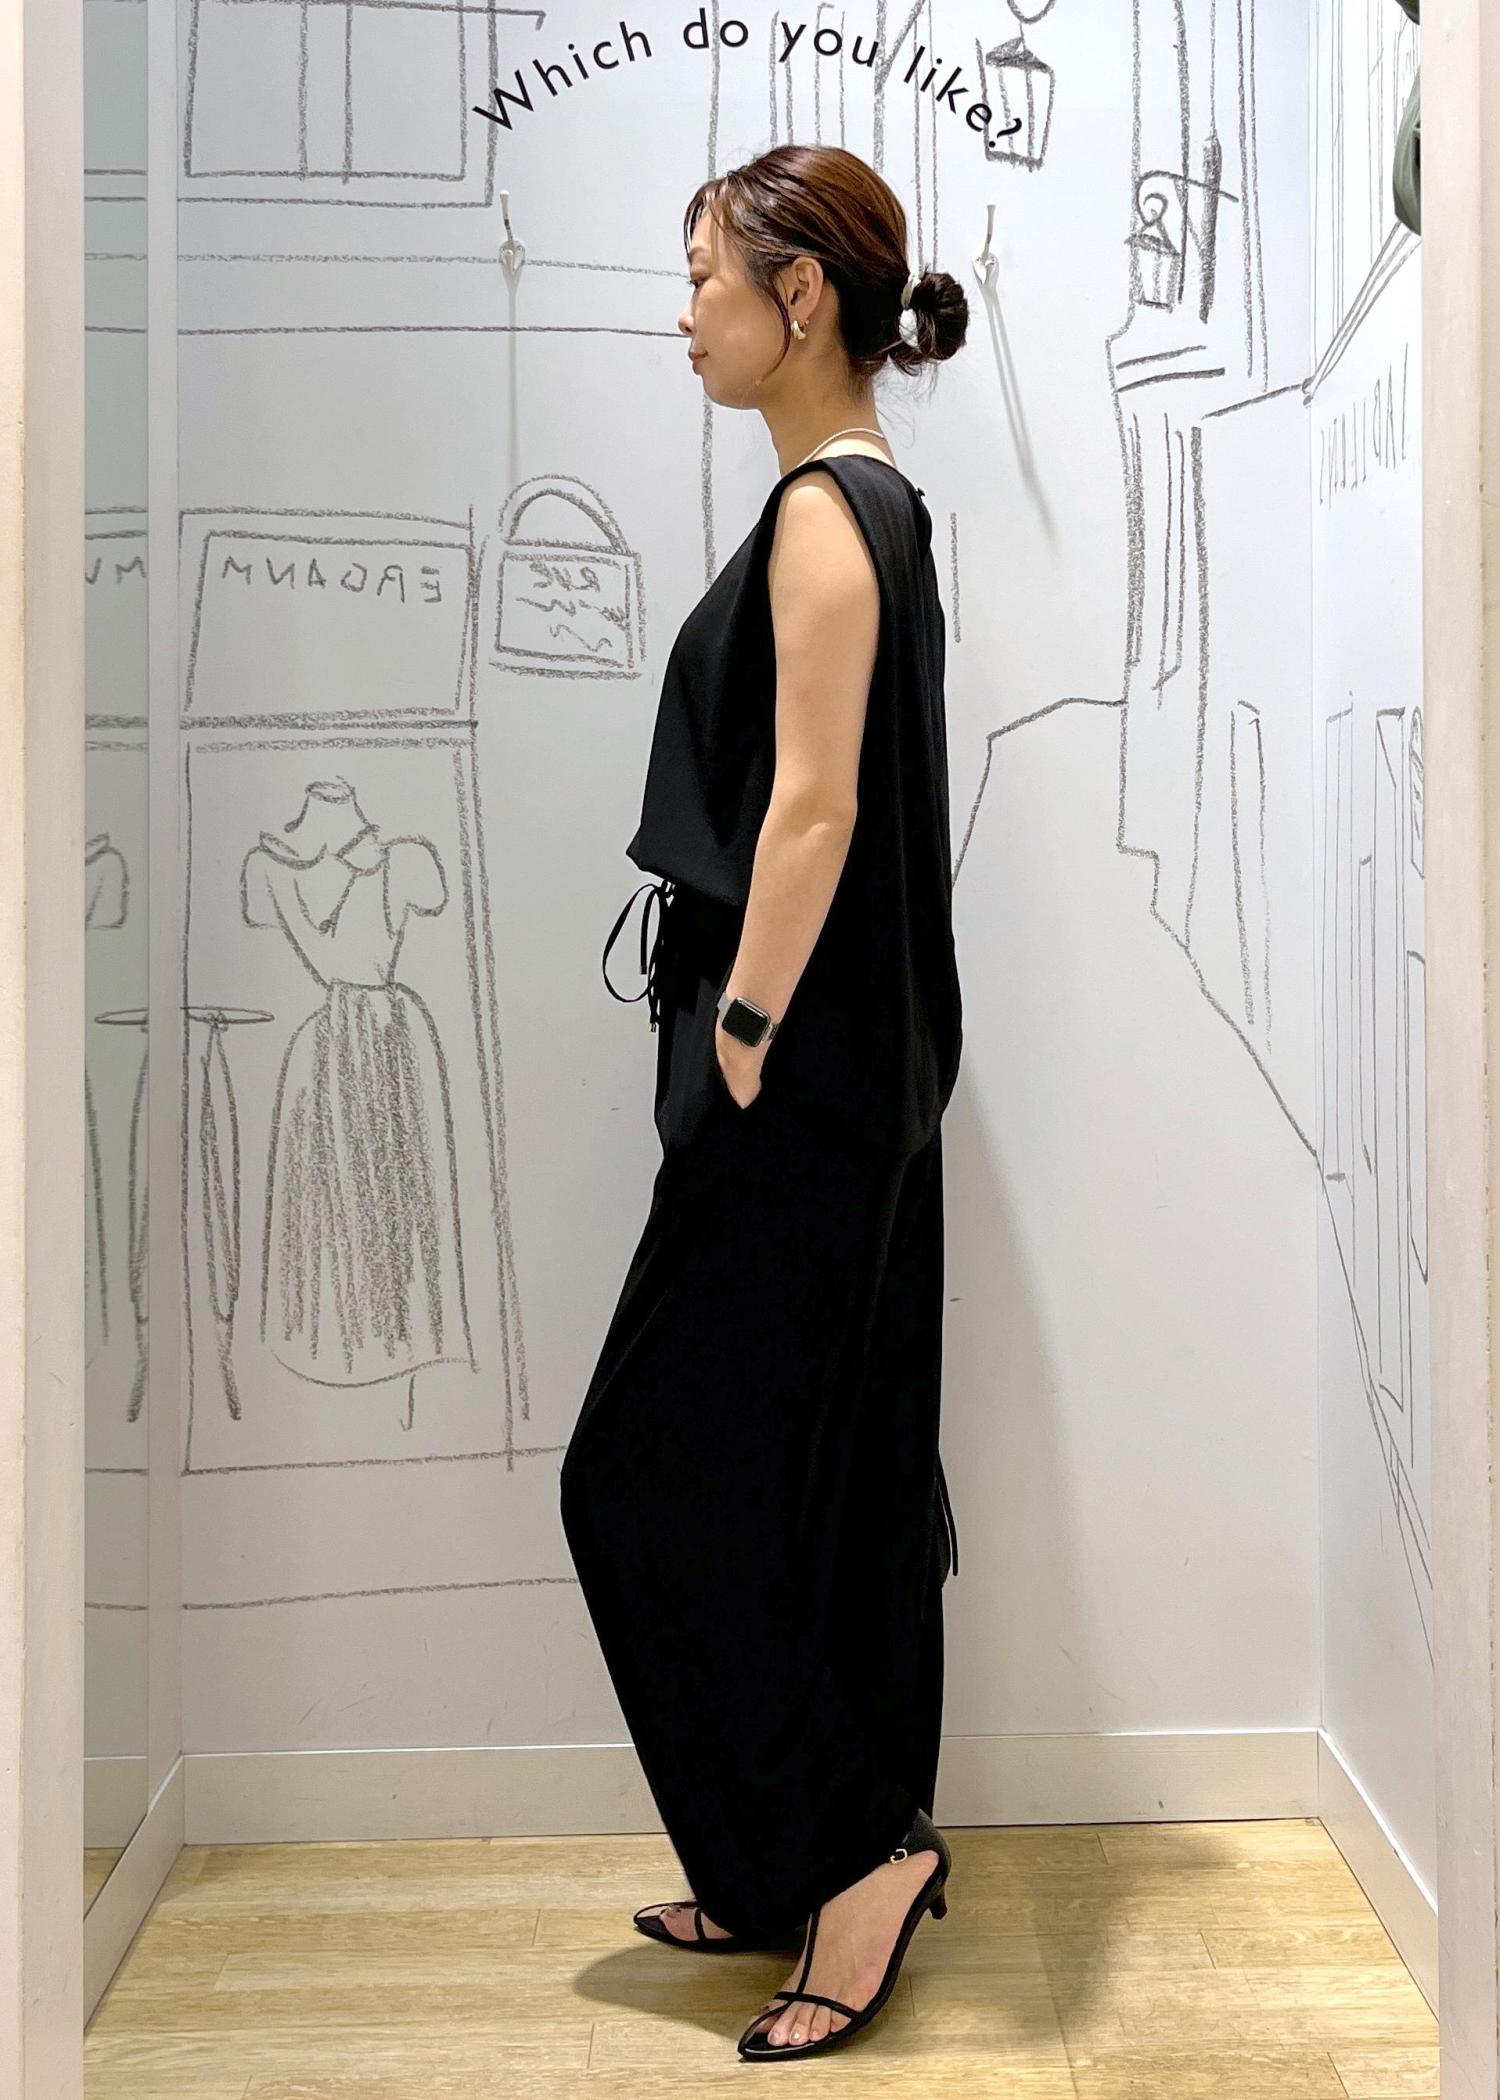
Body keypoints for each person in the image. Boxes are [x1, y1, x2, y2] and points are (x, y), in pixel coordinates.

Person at [558, 142, 967, 2063]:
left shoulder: (824, 515)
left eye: (705, 275)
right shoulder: (874, 503)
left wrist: (738, 1026)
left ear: (801, 297)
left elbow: (814, 807)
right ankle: (775, 1849)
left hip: (797, 1072)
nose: (685, 313)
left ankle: (854, 1859)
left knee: (641, 1474)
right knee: (805, 1470)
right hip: (850, 1071)